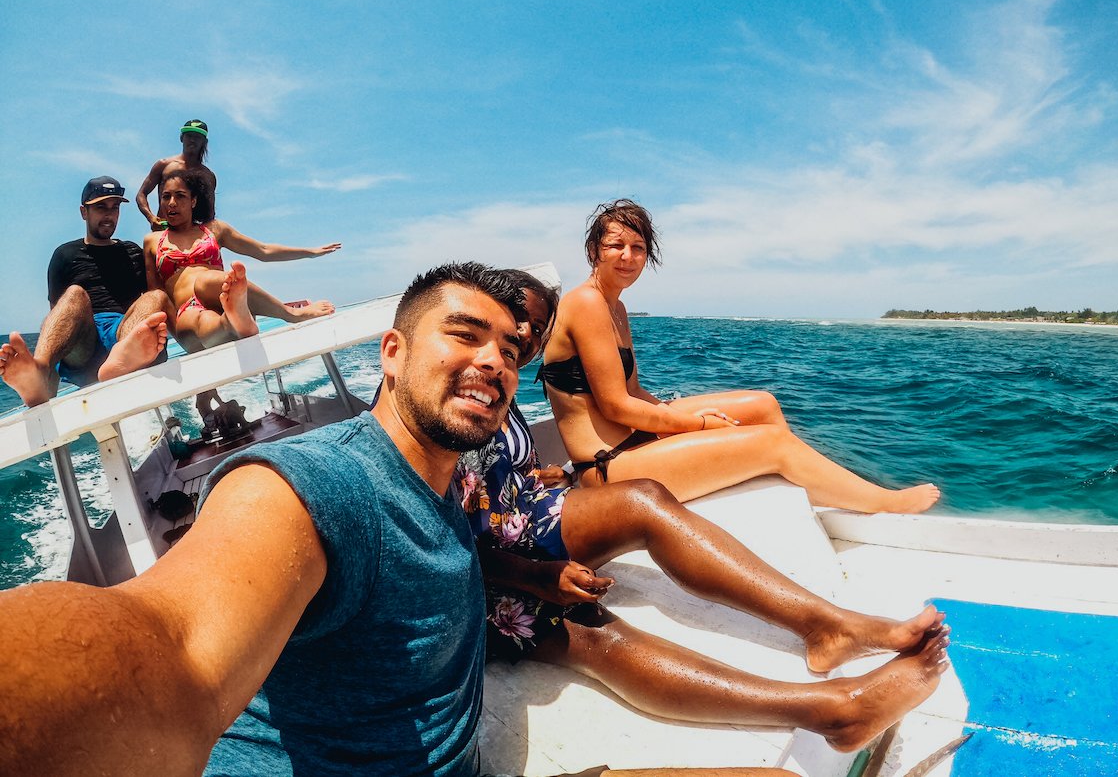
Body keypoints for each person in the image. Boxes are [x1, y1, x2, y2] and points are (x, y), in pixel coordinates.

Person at [0, 262, 793, 777]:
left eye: (513, 351)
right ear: (387, 354)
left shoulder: (448, 481)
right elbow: (166, 645)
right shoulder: (315, 485)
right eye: (464, 335)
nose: (495, 361)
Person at [460, 272, 950, 749]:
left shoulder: (500, 381)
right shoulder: (441, 408)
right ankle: (837, 711)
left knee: (644, 498)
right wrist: (533, 576)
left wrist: (544, 474)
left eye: (533, 326)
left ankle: (828, 626)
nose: (523, 332)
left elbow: (493, 471)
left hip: (524, 517)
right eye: (515, 316)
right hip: (484, 572)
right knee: (591, 632)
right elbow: (435, 538)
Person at [537, 199, 941, 514]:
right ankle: (882, 502)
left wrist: (681, 423)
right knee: (772, 444)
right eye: (616, 246)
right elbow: (616, 405)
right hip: (609, 468)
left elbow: (634, 390)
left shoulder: (615, 308)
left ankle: (811, 490)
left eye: (638, 248)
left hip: (633, 443)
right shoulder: (586, 303)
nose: (628, 256)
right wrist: (694, 424)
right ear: (594, 250)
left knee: (762, 404)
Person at [0, 176, 174, 407]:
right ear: (84, 212)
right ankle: (40, 372)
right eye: (101, 207)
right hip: (85, 340)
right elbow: (58, 314)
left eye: (115, 208)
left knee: (157, 296)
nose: (109, 215)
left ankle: (122, 358)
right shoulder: (65, 255)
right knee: (74, 294)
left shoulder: (132, 251)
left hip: (125, 334)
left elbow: (151, 304)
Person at [142, 169, 340, 350]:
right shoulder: (153, 241)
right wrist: (177, 338)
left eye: (180, 196)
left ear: (193, 201)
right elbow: (156, 295)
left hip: (218, 293)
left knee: (210, 280)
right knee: (202, 320)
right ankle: (232, 320)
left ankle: (290, 314)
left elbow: (264, 250)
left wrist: (310, 252)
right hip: (187, 310)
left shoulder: (215, 229)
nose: (172, 203)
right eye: (165, 197)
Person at [136, 119, 218, 230]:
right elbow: (141, 194)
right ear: (181, 138)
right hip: (164, 229)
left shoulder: (208, 176)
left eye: (197, 137)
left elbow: (210, 213)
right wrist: (151, 218)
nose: (192, 140)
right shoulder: (164, 165)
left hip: (193, 235)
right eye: (189, 135)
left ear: (204, 142)